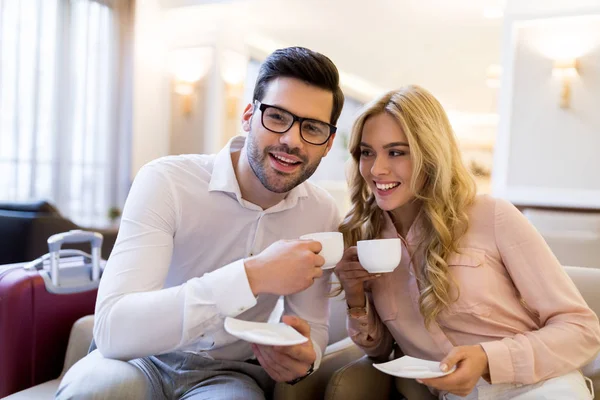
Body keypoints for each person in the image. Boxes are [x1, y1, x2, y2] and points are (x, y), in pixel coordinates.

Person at [56, 46, 345, 400]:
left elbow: (313, 326)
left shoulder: (321, 212)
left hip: (229, 374)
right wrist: (251, 276)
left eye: (312, 128)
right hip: (136, 358)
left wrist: (305, 357)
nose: (291, 139)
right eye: (278, 117)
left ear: (328, 143)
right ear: (248, 115)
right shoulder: (167, 181)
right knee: (97, 391)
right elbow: (114, 330)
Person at [334, 85, 600, 399]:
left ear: (430, 154)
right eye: (367, 152)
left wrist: (488, 359)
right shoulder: (366, 239)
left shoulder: (491, 216)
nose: (377, 169)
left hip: (540, 387)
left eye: (396, 152)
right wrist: (354, 296)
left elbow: (581, 329)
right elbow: (379, 351)